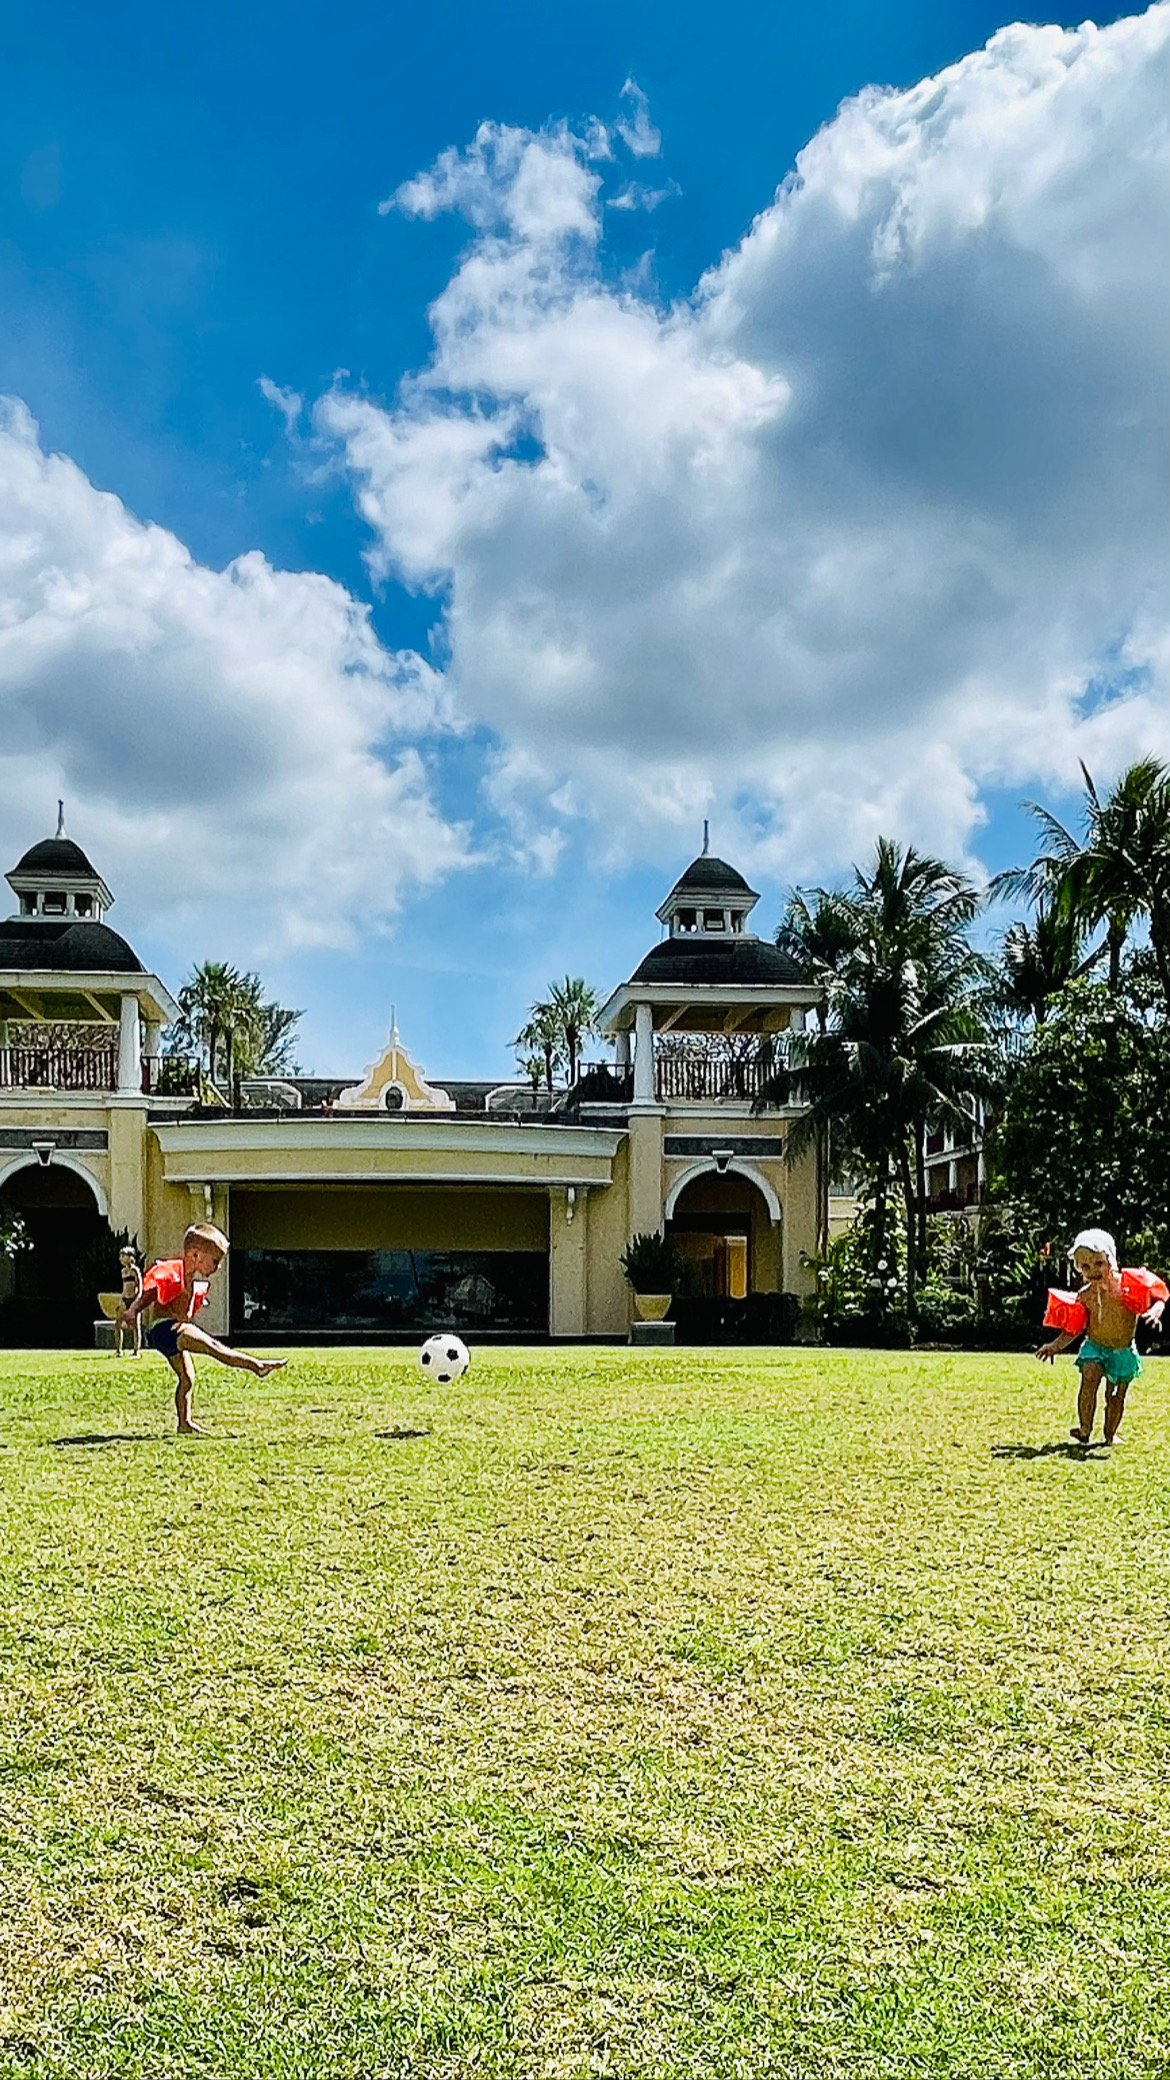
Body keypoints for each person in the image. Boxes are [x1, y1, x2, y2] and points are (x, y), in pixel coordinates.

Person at [121, 1222, 285, 1434]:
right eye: (215, 1262)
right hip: (165, 1329)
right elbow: (150, 1292)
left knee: (187, 1378)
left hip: (168, 1333)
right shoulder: (174, 1272)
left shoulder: (190, 1281)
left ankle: (184, 1423)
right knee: (213, 1345)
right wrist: (133, 1310)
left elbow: (185, 1313)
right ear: (195, 1255)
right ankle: (257, 1366)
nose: (217, 1268)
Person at [1037, 1226, 1165, 1445]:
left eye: (1099, 1264)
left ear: (1111, 1261)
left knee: (1115, 1397)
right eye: (1085, 1266)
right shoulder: (1085, 1296)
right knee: (1089, 1379)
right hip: (1095, 1346)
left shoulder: (1127, 1287)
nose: (1093, 1270)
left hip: (1122, 1350)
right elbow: (1074, 1328)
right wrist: (1054, 1346)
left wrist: (1154, 1311)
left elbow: (1159, 1296)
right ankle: (1085, 1428)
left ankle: (1110, 1434)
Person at [114, 1246, 143, 1358]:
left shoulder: (135, 1270)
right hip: (125, 1299)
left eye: (124, 1255)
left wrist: (138, 1300)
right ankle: (119, 1350)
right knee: (118, 1325)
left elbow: (139, 1286)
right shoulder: (123, 1272)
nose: (121, 1258)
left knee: (135, 1327)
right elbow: (124, 1287)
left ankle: (136, 1351)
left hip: (133, 1300)